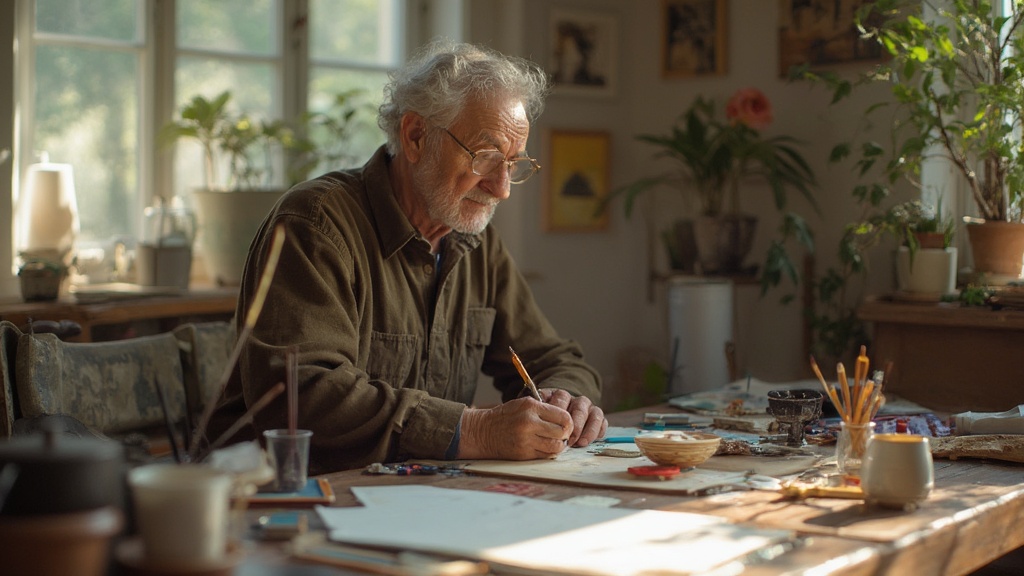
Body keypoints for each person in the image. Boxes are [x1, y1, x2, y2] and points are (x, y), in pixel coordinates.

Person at [207, 39, 607, 475]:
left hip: (412, 498)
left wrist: (566, 400)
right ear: (416, 136)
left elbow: (554, 357)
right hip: (286, 498)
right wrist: (475, 429)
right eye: (486, 156)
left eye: (513, 163)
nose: (502, 188)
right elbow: (304, 394)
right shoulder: (315, 223)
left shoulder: (475, 240)